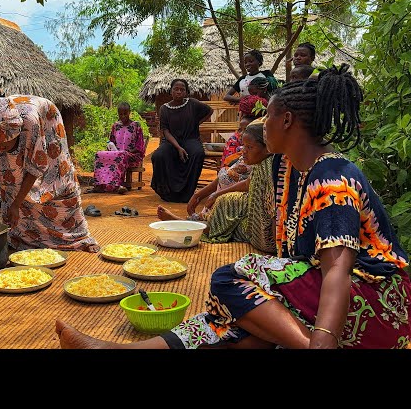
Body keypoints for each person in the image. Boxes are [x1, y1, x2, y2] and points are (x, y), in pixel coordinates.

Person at [56, 64, 411, 349]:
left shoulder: (332, 178)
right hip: (320, 288)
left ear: (286, 121)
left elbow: (337, 271)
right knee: (238, 323)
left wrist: (321, 340)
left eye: (267, 116)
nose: (262, 125)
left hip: (373, 300)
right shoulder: (287, 170)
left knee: (232, 279)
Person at [0, 95, 99, 252]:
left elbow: (36, 168)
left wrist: (16, 204)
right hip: (17, 122)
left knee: (57, 179)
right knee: (12, 180)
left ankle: (80, 238)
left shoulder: (31, 125)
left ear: (18, 134)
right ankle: (22, 238)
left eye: (5, 145)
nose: (0, 149)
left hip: (47, 120)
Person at [157, 121, 275, 253]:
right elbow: (248, 182)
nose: (244, 152)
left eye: (249, 148)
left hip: (266, 237)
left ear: (268, 147)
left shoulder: (268, 168)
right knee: (231, 220)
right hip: (255, 223)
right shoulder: (260, 164)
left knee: (228, 203)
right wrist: (213, 194)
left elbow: (273, 212)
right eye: (244, 147)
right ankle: (193, 224)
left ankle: (189, 225)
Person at [150, 79, 213, 203]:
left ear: (186, 92)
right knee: (158, 156)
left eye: (182, 89)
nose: (179, 92)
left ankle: (187, 193)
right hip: (171, 142)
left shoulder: (193, 104)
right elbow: (165, 130)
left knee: (197, 153)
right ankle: (166, 192)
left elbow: (209, 111)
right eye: (176, 89)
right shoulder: (164, 109)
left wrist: (197, 123)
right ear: (171, 91)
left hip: (191, 139)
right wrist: (178, 147)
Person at [92, 102, 146, 194]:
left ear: (129, 112)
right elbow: (111, 142)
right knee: (99, 154)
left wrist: (125, 151)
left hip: (133, 156)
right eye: (120, 114)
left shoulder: (136, 126)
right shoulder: (115, 126)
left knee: (121, 155)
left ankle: (117, 185)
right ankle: (99, 184)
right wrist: (111, 148)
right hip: (117, 154)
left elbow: (139, 147)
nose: (123, 116)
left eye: (125, 113)